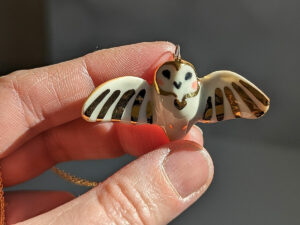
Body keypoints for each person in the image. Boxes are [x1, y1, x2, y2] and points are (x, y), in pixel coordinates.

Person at [0, 42, 214, 225]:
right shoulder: (145, 95)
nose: (178, 85)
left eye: (185, 79)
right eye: (169, 77)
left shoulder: (209, 90)